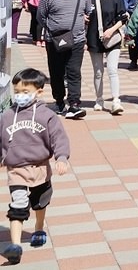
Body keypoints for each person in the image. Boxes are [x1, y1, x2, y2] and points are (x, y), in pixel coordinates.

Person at [0, 68, 70, 264]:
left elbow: (59, 139)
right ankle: (15, 246)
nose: (19, 96)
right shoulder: (7, 115)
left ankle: (39, 228)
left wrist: (62, 158)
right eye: (17, 91)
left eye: (25, 92)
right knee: (18, 206)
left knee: (40, 202)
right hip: (16, 170)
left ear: (39, 92)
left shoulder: (47, 116)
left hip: (40, 168)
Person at [37, 0, 93, 119]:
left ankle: (74, 104)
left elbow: (88, 12)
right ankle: (59, 100)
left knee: (74, 72)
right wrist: (52, 29)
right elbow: (40, 17)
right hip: (55, 41)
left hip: (77, 40)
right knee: (57, 72)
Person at [86, 0, 127, 116]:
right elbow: (83, 13)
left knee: (112, 70)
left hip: (112, 39)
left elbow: (123, 17)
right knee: (98, 72)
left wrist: (112, 30)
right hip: (94, 38)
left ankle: (116, 100)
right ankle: (99, 99)